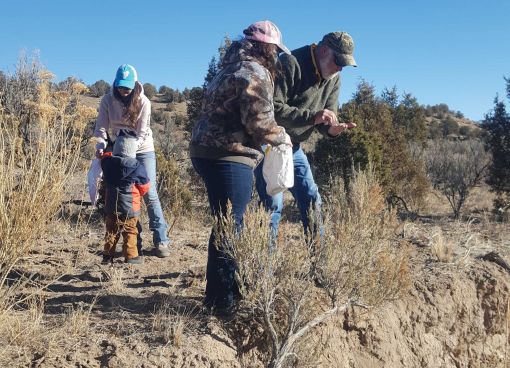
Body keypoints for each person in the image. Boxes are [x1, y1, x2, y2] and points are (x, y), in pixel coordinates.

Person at [190, 20, 292, 313]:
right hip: (229, 155)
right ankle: (223, 303)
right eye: (275, 50)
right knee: (230, 226)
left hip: (205, 150)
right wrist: (281, 137)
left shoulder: (229, 66)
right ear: (268, 48)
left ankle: (219, 295)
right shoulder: (255, 71)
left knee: (225, 222)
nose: (276, 56)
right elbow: (258, 121)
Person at [255, 31, 358, 237]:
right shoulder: (291, 63)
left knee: (312, 198)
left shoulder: (334, 78)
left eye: (344, 64)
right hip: (270, 142)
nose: (339, 68)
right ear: (323, 50)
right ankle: (263, 267)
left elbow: (324, 119)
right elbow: (272, 108)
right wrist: (314, 117)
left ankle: (319, 260)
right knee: (272, 204)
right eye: (337, 61)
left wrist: (331, 130)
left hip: (294, 147)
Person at [94, 64, 171, 258]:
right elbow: (101, 127)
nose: (124, 90)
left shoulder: (143, 101)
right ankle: (132, 242)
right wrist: (101, 145)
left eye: (127, 86)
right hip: (117, 147)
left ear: (135, 84)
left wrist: (130, 153)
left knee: (148, 190)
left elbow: (142, 132)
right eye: (121, 86)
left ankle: (161, 240)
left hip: (142, 148)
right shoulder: (107, 100)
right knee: (118, 191)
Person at [101, 132, 150, 264]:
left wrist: (108, 148)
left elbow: (104, 157)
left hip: (111, 206)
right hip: (130, 207)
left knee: (111, 231)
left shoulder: (107, 164)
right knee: (130, 231)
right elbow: (145, 187)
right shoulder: (137, 167)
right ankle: (131, 256)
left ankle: (107, 255)